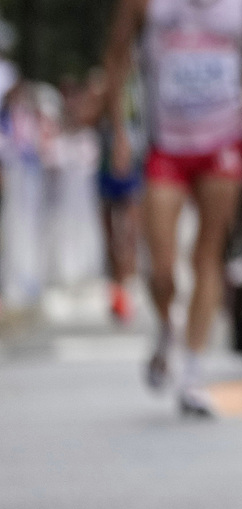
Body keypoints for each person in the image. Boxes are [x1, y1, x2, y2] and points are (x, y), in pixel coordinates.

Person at [97, 0, 242, 417]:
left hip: (221, 139)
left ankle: (192, 371)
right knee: (163, 265)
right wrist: (120, 132)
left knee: (209, 253)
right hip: (167, 142)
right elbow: (118, 59)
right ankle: (166, 328)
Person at [90, 66, 142, 324]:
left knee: (129, 236)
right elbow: (84, 119)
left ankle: (127, 293)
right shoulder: (102, 89)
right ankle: (117, 293)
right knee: (111, 238)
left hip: (131, 171)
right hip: (105, 170)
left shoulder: (139, 89)